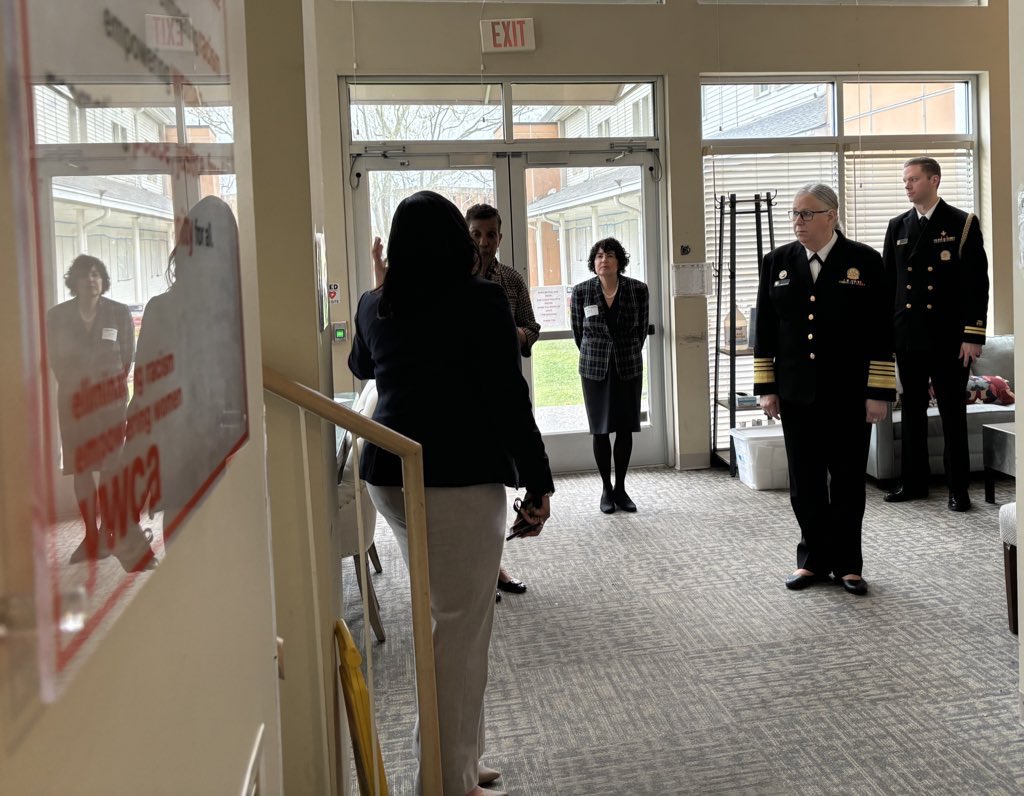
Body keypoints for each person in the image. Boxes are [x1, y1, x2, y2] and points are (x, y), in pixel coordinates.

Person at [350, 190, 553, 796]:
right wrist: (538, 481)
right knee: (460, 632)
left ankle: (461, 759)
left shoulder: (374, 303)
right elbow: (508, 398)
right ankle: (445, 781)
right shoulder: (481, 300)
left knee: (452, 629)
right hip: (458, 481)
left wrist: (380, 290)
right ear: (458, 243)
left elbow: (363, 367)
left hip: (391, 477)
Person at [753, 184, 895, 596]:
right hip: (797, 394)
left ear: (832, 215)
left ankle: (849, 565)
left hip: (850, 394)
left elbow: (881, 329)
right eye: (795, 214)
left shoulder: (864, 261)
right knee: (805, 482)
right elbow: (765, 331)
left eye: (807, 214)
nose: (798, 222)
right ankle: (813, 559)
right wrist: (767, 387)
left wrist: (879, 391)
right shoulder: (776, 262)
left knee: (849, 481)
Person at [881, 156, 990, 512]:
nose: (907, 185)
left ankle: (959, 489)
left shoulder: (961, 223)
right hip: (909, 337)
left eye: (913, 179)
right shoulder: (897, 227)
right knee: (911, 412)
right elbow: (889, 286)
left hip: (948, 339)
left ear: (934, 180)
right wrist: (887, 338)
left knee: (952, 414)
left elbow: (977, 285)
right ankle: (914, 483)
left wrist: (973, 335)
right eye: (904, 180)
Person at [466, 202, 541, 599]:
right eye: (476, 234)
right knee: (473, 497)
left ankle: (494, 568)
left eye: (490, 234)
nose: (483, 242)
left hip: (505, 390)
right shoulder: (453, 280)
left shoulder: (511, 280)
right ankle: (481, 573)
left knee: (497, 488)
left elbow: (533, 326)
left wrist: (518, 335)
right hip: (465, 400)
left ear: (500, 236)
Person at [46, 255, 134, 564]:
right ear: (75, 281)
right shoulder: (56, 317)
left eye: (96, 274)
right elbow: (55, 360)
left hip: (110, 404)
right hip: (75, 404)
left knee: (110, 466)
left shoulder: (119, 313)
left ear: (103, 280)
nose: (91, 280)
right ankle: (90, 535)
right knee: (81, 467)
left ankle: (109, 529)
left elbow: (126, 360)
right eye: (85, 275)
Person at [570, 237, 649, 514]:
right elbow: (579, 333)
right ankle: (605, 488)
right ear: (594, 263)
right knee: (600, 429)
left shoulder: (638, 290)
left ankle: (621, 488)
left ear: (620, 262)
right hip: (594, 369)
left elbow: (640, 331)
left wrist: (622, 352)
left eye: (610, 255)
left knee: (625, 427)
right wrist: (599, 353)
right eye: (599, 256)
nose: (604, 260)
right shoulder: (581, 292)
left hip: (628, 365)